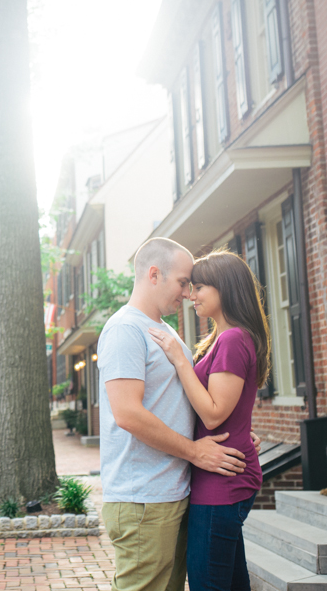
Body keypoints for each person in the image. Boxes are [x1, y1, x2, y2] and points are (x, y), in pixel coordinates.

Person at [98, 238, 251, 591]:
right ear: (154, 274)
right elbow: (128, 414)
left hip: (172, 491)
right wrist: (196, 452)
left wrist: (237, 429)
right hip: (143, 498)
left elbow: (178, 401)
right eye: (183, 282)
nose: (187, 293)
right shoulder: (125, 330)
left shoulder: (166, 332)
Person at [149, 250, 270, 591]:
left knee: (208, 583)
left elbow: (214, 413)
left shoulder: (232, 339)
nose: (190, 295)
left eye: (199, 287)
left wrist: (179, 359)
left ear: (225, 289)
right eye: (189, 287)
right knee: (231, 582)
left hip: (222, 483)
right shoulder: (222, 338)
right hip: (219, 476)